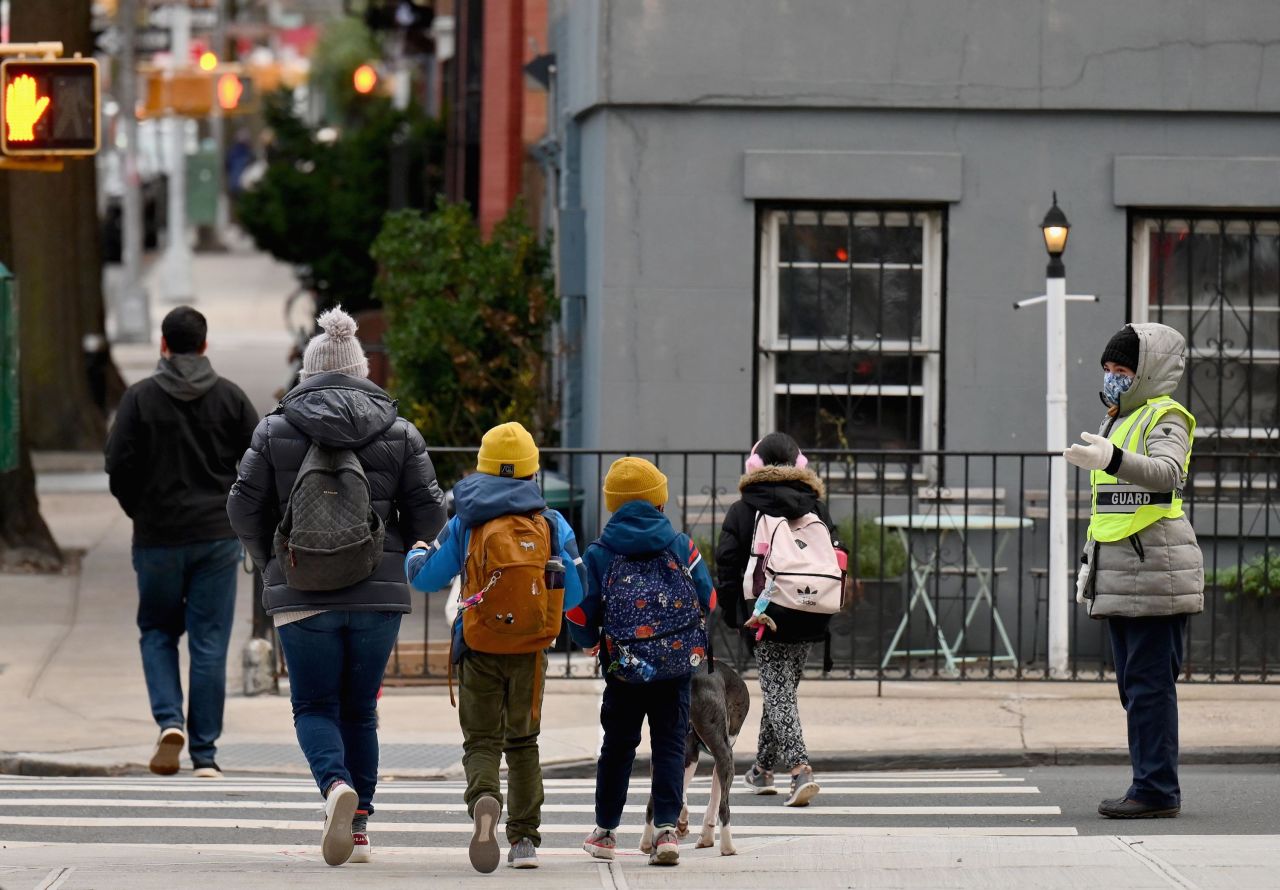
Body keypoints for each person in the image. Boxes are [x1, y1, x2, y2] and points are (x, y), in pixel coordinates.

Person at [227, 307, 446, 865]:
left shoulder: (275, 429)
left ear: (308, 372)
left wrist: (268, 558)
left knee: (314, 705)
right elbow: (428, 516)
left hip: (301, 590)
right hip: (378, 594)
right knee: (361, 710)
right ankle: (363, 824)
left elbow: (242, 506)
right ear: (362, 370)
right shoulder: (399, 432)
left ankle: (333, 788)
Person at [405, 422, 585, 874]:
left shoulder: (466, 520)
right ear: (533, 471)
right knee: (524, 742)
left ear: (483, 468)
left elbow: (426, 577)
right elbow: (578, 595)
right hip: (532, 649)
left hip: (479, 642)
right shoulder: (552, 522)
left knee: (481, 739)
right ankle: (524, 840)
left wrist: (415, 552)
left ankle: (485, 796)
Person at [105, 306, 258, 779]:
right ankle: (205, 754)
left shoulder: (139, 400)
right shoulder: (231, 399)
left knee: (157, 631)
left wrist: (140, 511)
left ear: (163, 346)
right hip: (215, 536)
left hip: (157, 537)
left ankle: (170, 720)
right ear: (205, 345)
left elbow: (117, 467)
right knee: (210, 643)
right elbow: (258, 464)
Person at [1065, 323, 1204, 819]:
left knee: (1148, 686)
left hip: (1155, 570)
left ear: (1148, 374)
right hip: (1125, 571)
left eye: (1122, 370)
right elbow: (1109, 510)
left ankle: (1156, 790)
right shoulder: (1117, 419)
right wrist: (1088, 569)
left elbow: (1168, 474)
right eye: (1107, 369)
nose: (1112, 378)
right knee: (1134, 686)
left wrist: (1114, 457)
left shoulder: (1165, 416)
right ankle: (1149, 785)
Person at [567, 457, 717, 867]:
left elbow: (580, 612)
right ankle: (667, 831)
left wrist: (589, 642)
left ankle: (605, 832)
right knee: (669, 744)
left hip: (624, 669)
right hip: (675, 668)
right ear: (659, 500)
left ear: (613, 503)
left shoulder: (599, 552)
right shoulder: (681, 545)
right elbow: (709, 598)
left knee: (617, 747)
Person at [714, 432, 845, 807]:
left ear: (754, 467)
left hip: (764, 614)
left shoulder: (744, 509)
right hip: (811, 609)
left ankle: (800, 769)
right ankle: (761, 770)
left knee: (778, 692)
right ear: (799, 465)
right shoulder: (815, 507)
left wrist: (732, 611)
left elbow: (728, 562)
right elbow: (835, 556)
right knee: (781, 690)